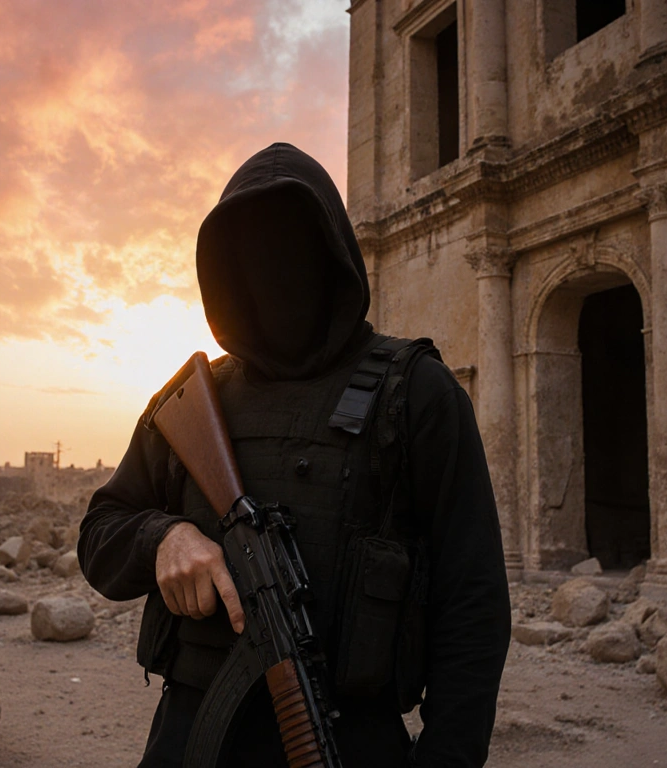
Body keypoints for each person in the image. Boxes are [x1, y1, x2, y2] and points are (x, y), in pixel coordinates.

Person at [78, 143, 510, 767]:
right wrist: (163, 538)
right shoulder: (187, 404)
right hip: (192, 737)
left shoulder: (415, 393)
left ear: (331, 249)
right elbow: (100, 533)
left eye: (290, 244)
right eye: (248, 251)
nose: (270, 270)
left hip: (345, 739)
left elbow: (472, 602)